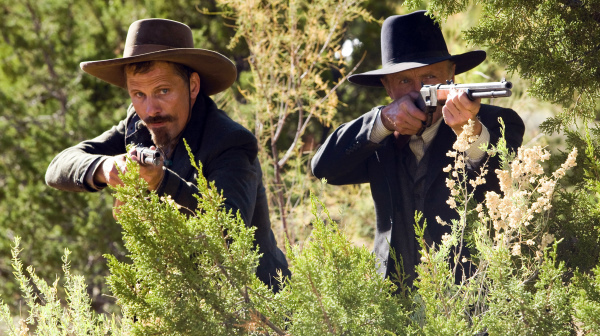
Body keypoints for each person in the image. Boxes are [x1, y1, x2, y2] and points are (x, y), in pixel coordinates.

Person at [45, 18, 290, 289]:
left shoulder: (230, 142)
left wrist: (162, 183)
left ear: (193, 86)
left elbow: (229, 233)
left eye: (163, 90)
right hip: (175, 305)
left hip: (251, 308)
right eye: (138, 94)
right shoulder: (136, 125)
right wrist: (106, 168)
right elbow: (58, 167)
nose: (151, 109)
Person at [311, 11, 525, 286]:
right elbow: (324, 169)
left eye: (430, 77)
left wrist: (468, 131)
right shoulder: (380, 133)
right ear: (387, 87)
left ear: (451, 76)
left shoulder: (499, 123)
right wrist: (382, 122)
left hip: (470, 296)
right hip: (394, 297)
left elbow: (502, 180)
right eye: (403, 81)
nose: (419, 90)